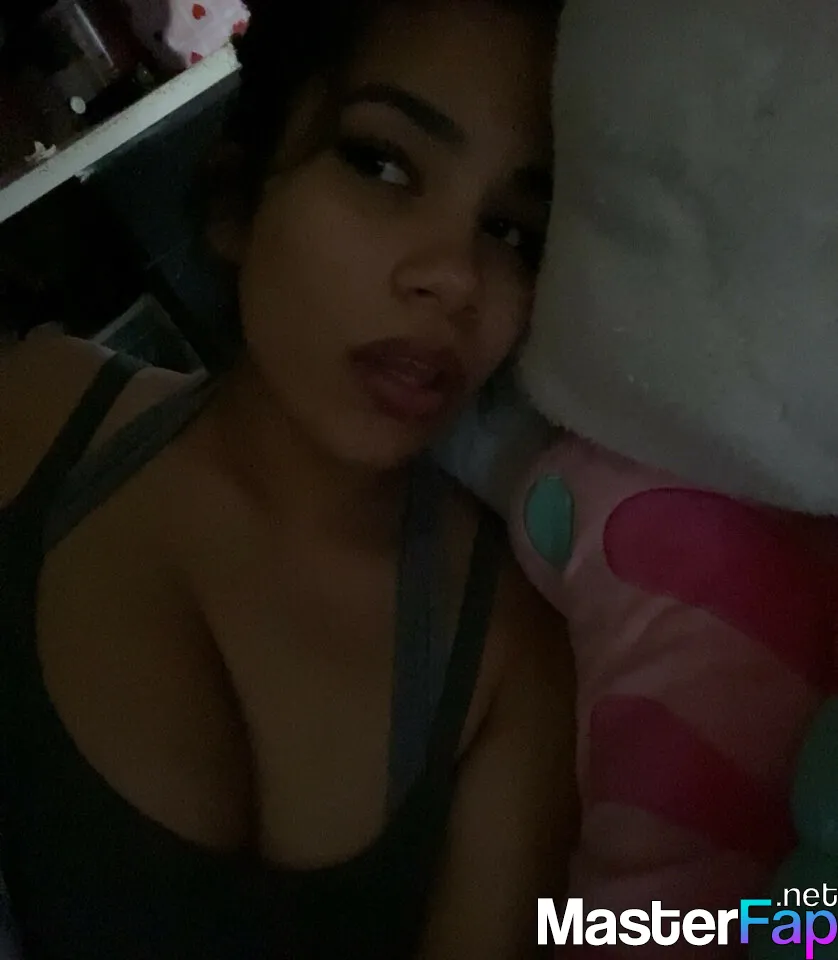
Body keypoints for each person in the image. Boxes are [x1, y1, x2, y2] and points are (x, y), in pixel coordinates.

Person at [0, 0, 575, 957]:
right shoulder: (34, 417)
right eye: (382, 164)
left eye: (514, 232)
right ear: (240, 194)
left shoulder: (514, 667)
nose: (456, 276)